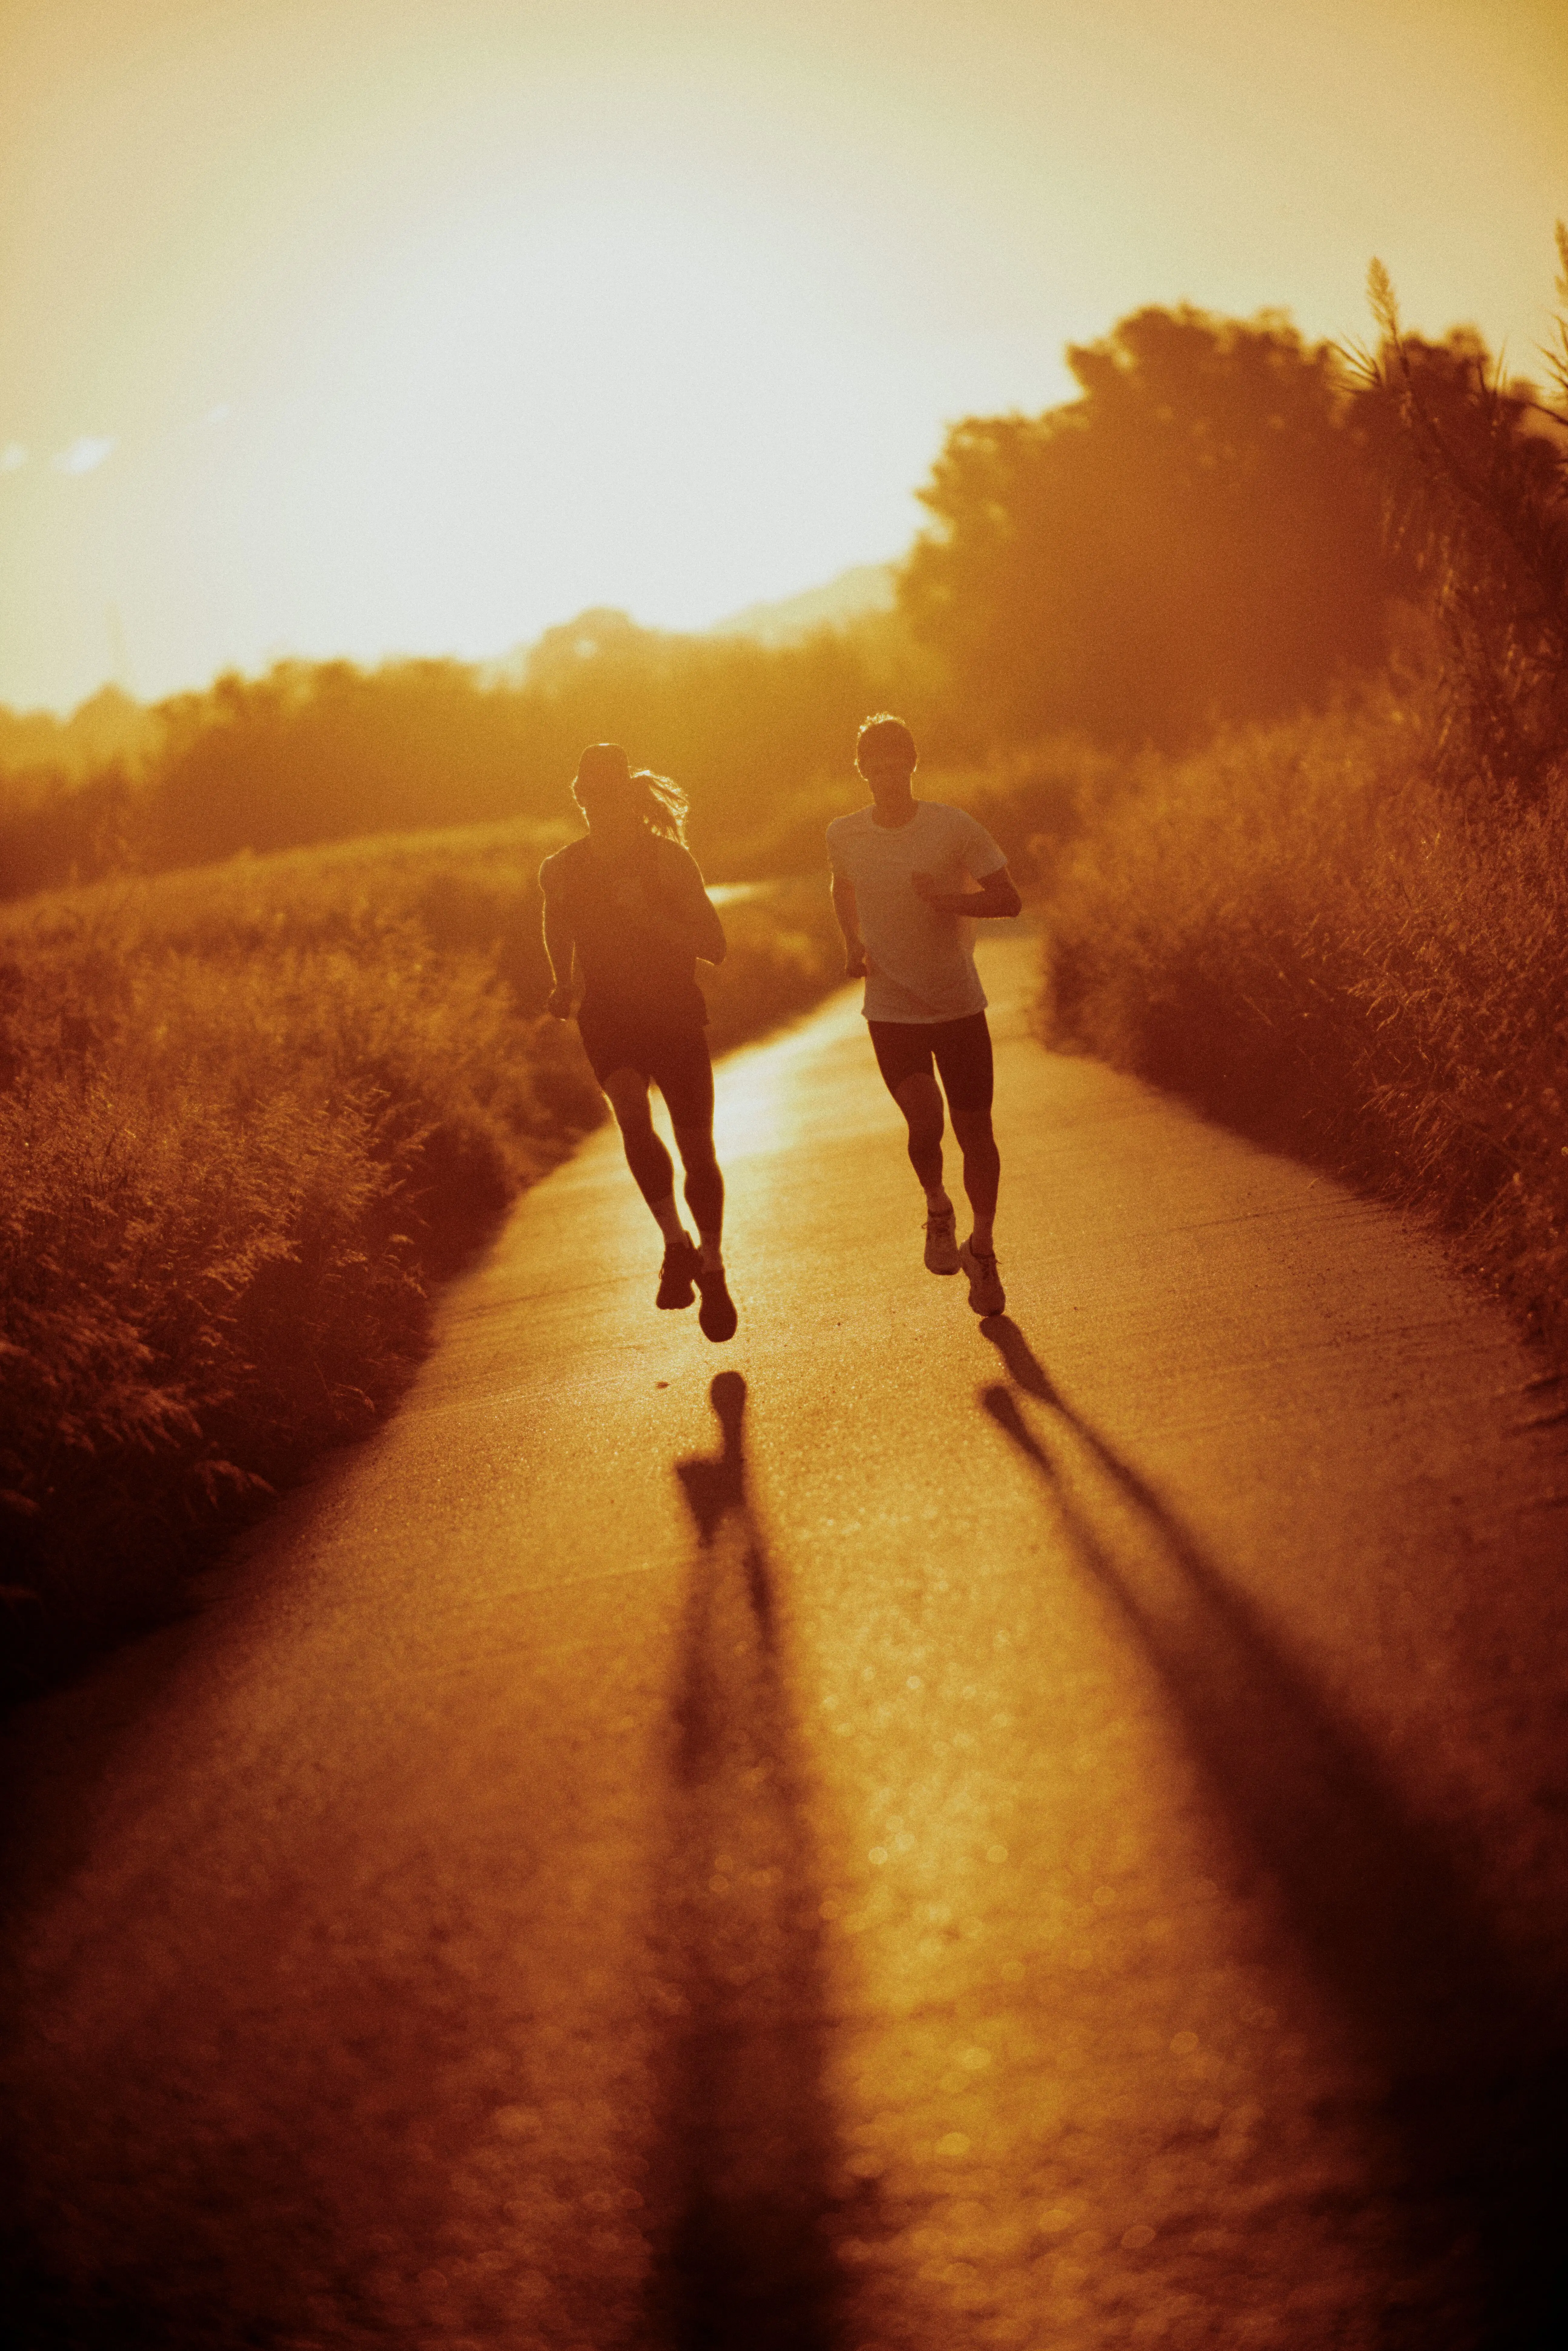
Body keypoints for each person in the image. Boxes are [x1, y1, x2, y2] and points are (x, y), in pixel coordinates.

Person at [540, 743, 737, 1342]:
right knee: (630, 1113)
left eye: (611, 793)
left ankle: (713, 1264)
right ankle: (674, 1242)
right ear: (581, 800)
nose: (602, 805)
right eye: (591, 795)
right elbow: (556, 924)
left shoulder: (668, 862)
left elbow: (715, 943)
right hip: (608, 1016)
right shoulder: (561, 869)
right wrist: (562, 981)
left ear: (628, 795)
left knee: (697, 1148)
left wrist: (649, 918)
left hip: (674, 1014)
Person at [827, 713, 1021, 1317]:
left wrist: (946, 901)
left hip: (958, 1002)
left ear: (912, 764)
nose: (885, 774)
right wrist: (851, 943)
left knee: (976, 1133)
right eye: (873, 764)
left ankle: (983, 1246)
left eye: (895, 761)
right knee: (924, 1117)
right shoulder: (845, 833)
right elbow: (842, 888)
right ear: (861, 771)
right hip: (890, 1006)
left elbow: (1009, 899)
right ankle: (938, 1207)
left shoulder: (951, 826)